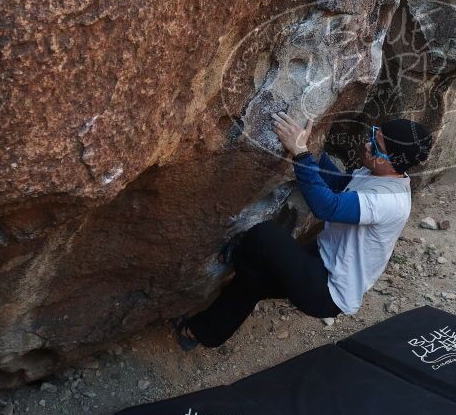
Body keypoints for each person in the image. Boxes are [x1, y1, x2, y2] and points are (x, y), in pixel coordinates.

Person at [173, 113, 432, 350]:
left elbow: (327, 206)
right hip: (320, 259)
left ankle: (238, 255)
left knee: (265, 237)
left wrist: (300, 152)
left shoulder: (390, 203)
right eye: (372, 137)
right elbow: (339, 183)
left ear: (394, 161)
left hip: (327, 290)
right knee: (254, 278)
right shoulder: (376, 173)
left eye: (377, 148)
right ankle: (202, 332)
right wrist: (314, 152)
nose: (367, 146)